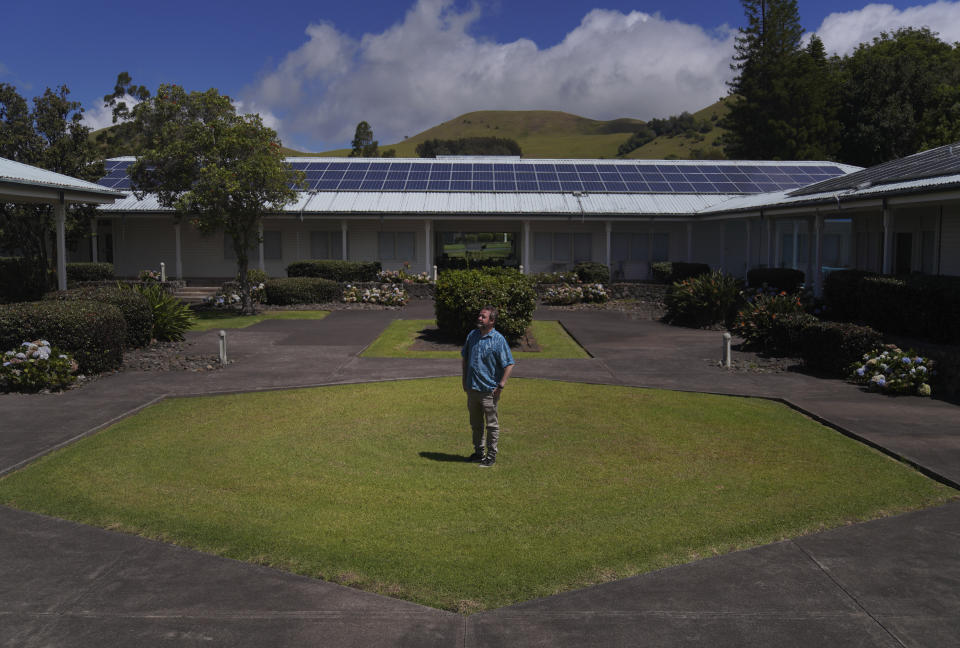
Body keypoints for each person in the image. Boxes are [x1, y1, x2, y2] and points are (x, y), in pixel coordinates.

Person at [461, 306, 515, 467]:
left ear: (492, 321)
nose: (479, 318)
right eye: (479, 315)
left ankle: (491, 456)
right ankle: (479, 453)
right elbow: (465, 358)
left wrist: (501, 385)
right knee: (476, 424)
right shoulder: (472, 335)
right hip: (472, 389)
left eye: (483, 317)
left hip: (489, 391)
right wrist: (464, 379)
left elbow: (509, 364)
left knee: (491, 425)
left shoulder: (498, 340)